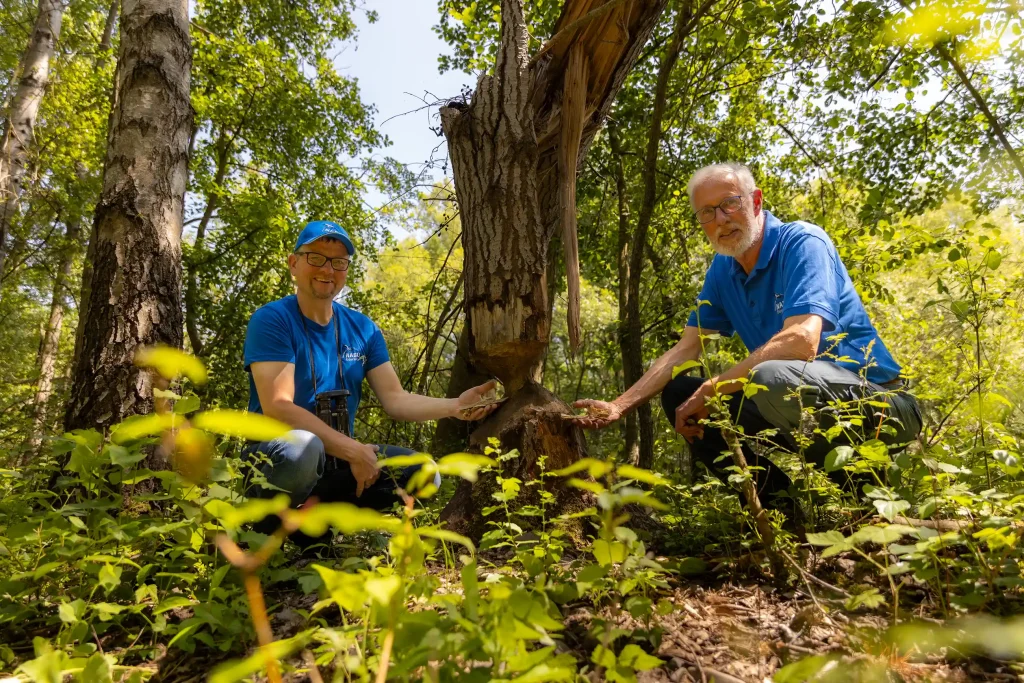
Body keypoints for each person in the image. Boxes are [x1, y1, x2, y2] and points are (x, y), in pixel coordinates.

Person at [574, 163, 921, 519]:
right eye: (707, 213)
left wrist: (716, 386)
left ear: (755, 201)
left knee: (771, 376)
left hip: (882, 406)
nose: (721, 219)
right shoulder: (723, 270)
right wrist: (619, 405)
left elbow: (802, 340)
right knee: (682, 396)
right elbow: (686, 349)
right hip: (797, 399)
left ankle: (871, 496)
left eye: (729, 203)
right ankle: (780, 515)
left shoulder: (802, 241)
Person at [242, 220, 498, 544]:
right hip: (276, 459)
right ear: (294, 263)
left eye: (338, 262)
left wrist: (455, 406)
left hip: (337, 461)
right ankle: (259, 538)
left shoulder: (363, 329)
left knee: (425, 473)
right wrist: (355, 451)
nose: (328, 269)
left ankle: (318, 531)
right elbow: (279, 408)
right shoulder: (273, 319)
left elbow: (396, 398)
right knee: (305, 450)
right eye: (316, 258)